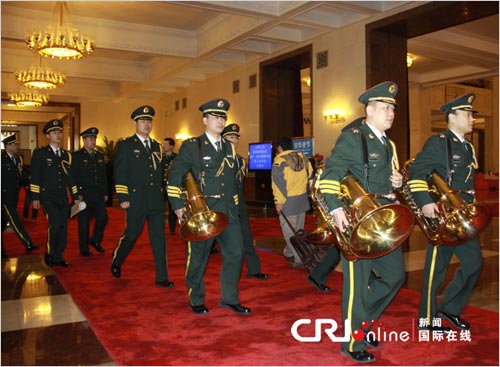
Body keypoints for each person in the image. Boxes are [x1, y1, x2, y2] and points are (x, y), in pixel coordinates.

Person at [319, 81, 405, 363]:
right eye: (384, 107)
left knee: (395, 276)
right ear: (369, 110)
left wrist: (398, 181)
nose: (390, 112)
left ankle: (362, 322)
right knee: (357, 283)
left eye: (392, 107)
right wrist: (334, 209)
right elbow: (330, 174)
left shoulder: (388, 143)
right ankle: (353, 342)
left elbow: (389, 179)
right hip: (357, 219)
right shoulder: (354, 137)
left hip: (382, 218)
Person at [167, 98, 251, 315]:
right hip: (203, 212)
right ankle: (195, 298)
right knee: (198, 257)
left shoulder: (229, 147)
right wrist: (177, 206)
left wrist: (235, 205)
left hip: (228, 211)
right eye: (215, 116)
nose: (220, 120)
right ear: (205, 120)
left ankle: (229, 298)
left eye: (223, 117)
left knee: (236, 253)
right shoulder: (192, 146)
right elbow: (174, 176)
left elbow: (232, 179)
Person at [408, 93, 483, 333]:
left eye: (472, 114)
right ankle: (427, 319)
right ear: (452, 117)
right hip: (442, 214)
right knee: (435, 270)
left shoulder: (467, 146)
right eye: (468, 114)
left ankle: (450, 308)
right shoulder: (438, 142)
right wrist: (424, 202)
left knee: (474, 264)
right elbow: (417, 173)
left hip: (464, 215)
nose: (472, 119)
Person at [110, 106, 174, 289]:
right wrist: (123, 196)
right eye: (143, 121)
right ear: (136, 123)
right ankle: (117, 260)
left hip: (155, 200)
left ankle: (162, 276)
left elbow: (159, 173)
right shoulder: (125, 145)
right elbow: (120, 173)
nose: (147, 124)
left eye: (149, 121)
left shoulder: (155, 146)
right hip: (135, 199)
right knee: (131, 234)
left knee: (159, 239)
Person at [30, 119, 81, 268]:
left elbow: (70, 178)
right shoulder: (40, 153)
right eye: (54, 132)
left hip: (62, 197)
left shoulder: (66, 155)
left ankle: (59, 256)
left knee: (63, 228)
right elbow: (35, 176)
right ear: (48, 135)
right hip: (47, 197)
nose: (58, 135)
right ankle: (50, 254)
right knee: (55, 225)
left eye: (59, 132)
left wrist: (76, 196)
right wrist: (35, 197)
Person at [222, 123, 269, 280]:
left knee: (247, 238)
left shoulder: (241, 161)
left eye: (236, 137)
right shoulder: (218, 159)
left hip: (239, 204)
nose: (234, 140)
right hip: (222, 204)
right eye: (230, 137)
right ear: (223, 139)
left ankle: (254, 269)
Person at [271, 136, 312, 268]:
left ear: (280, 148)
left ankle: (299, 258)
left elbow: (278, 184)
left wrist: (279, 201)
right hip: (302, 199)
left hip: (288, 201)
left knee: (289, 232)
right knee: (299, 230)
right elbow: (310, 174)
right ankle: (289, 252)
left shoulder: (279, 162)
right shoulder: (303, 157)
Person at [72, 127, 109, 256]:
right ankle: (84, 248)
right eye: (90, 138)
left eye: (94, 138)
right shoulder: (76, 157)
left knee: (103, 218)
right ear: (84, 140)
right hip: (84, 195)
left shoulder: (99, 156)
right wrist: (76, 195)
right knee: (83, 223)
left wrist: (105, 192)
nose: (93, 141)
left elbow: (103, 176)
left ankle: (95, 240)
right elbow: (73, 178)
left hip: (98, 195)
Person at [1, 134, 39, 258]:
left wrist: (26, 184)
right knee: (16, 222)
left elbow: (19, 175)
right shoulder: (2, 159)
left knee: (2, 224)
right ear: (7, 146)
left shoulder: (16, 158)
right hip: (4, 197)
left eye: (16, 144)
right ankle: (28, 243)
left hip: (14, 196)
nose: (17, 146)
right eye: (14, 144)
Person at [162, 137, 178, 235]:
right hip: (162, 187)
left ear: (171, 146)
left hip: (172, 188)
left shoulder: (177, 158)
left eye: (166, 144)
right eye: (163, 144)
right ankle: (161, 227)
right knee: (160, 208)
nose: (163, 146)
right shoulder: (160, 158)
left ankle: (172, 228)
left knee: (172, 209)